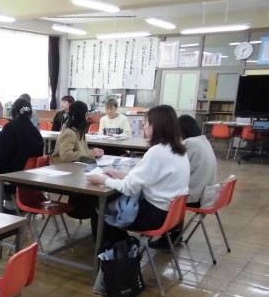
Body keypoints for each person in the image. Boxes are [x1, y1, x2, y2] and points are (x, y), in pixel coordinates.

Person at [86, 105, 190, 246]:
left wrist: (103, 180)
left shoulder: (157, 152)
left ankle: (114, 252)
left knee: (100, 209)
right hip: (170, 213)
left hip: (154, 215)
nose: (143, 127)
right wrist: (121, 175)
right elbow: (149, 178)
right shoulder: (179, 150)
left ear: (155, 126)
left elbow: (129, 188)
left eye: (146, 123)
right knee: (112, 203)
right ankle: (122, 245)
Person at [149, 114, 217, 249]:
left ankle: (168, 235)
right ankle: (174, 233)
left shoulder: (188, 144)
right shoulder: (203, 140)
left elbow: (171, 168)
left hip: (195, 195)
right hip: (207, 193)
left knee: (159, 193)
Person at [0, 97, 43, 211]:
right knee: (8, 166)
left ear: (13, 112)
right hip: (29, 177)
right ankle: (9, 203)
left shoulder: (10, 128)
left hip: (13, 177)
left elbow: (2, 155)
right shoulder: (35, 130)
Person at [53, 100, 104, 231]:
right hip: (63, 171)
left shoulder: (79, 131)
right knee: (92, 187)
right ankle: (86, 212)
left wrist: (93, 153)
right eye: (86, 114)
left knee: (97, 181)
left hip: (76, 169)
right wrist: (91, 153)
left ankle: (94, 216)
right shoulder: (69, 132)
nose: (87, 117)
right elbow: (66, 156)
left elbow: (82, 151)